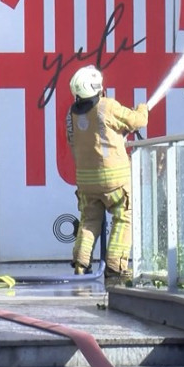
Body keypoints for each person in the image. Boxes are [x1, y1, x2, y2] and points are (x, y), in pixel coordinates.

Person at [66, 65, 148, 278]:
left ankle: (81, 264)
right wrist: (142, 108)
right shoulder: (107, 106)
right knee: (124, 216)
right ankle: (115, 266)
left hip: (86, 182)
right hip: (115, 180)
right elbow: (138, 121)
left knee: (89, 219)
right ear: (98, 88)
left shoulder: (72, 114)